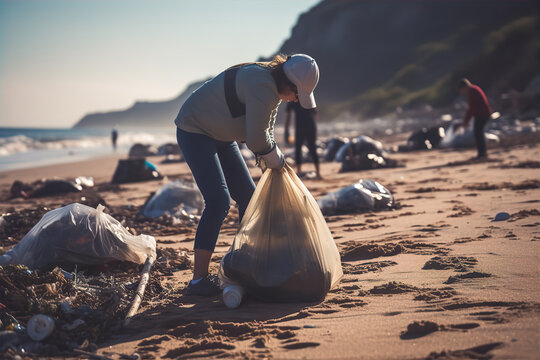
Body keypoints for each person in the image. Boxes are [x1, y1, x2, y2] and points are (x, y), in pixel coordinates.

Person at [174, 54, 320, 296]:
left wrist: (275, 162)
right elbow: (255, 139)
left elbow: (266, 130)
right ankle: (198, 281)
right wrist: (276, 159)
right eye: (297, 94)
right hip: (195, 130)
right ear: (288, 83)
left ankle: (246, 264)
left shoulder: (273, 87)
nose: (295, 100)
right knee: (219, 200)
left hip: (222, 135)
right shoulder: (262, 85)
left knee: (249, 199)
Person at [456, 78, 492, 158]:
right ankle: (482, 153)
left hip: (482, 114)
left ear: (464, 87)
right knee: (478, 133)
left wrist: (466, 121)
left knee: (478, 133)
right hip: (482, 114)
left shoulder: (473, 91)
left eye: (461, 90)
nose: (462, 93)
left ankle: (482, 153)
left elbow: (471, 108)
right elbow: (472, 108)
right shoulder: (474, 89)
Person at [284, 102, 321, 178]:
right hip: (310, 126)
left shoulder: (292, 98)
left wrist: (286, 130)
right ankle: (318, 173)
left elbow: (288, 116)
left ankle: (300, 172)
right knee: (312, 149)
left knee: (299, 148)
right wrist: (315, 127)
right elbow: (315, 112)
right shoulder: (307, 95)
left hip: (300, 127)